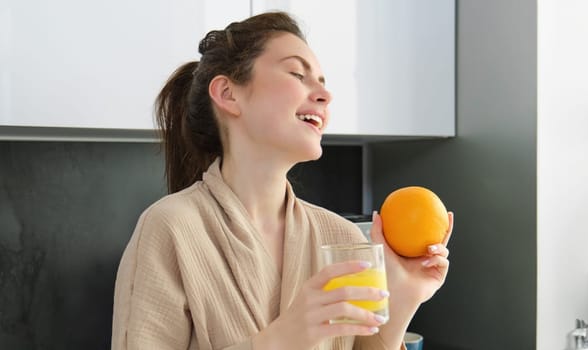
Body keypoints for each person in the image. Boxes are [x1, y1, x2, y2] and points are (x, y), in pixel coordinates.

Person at [111, 11, 453, 350]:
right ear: (229, 94)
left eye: (323, 81)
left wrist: (405, 298)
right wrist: (279, 340)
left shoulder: (341, 237)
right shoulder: (170, 229)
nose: (324, 94)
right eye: (297, 73)